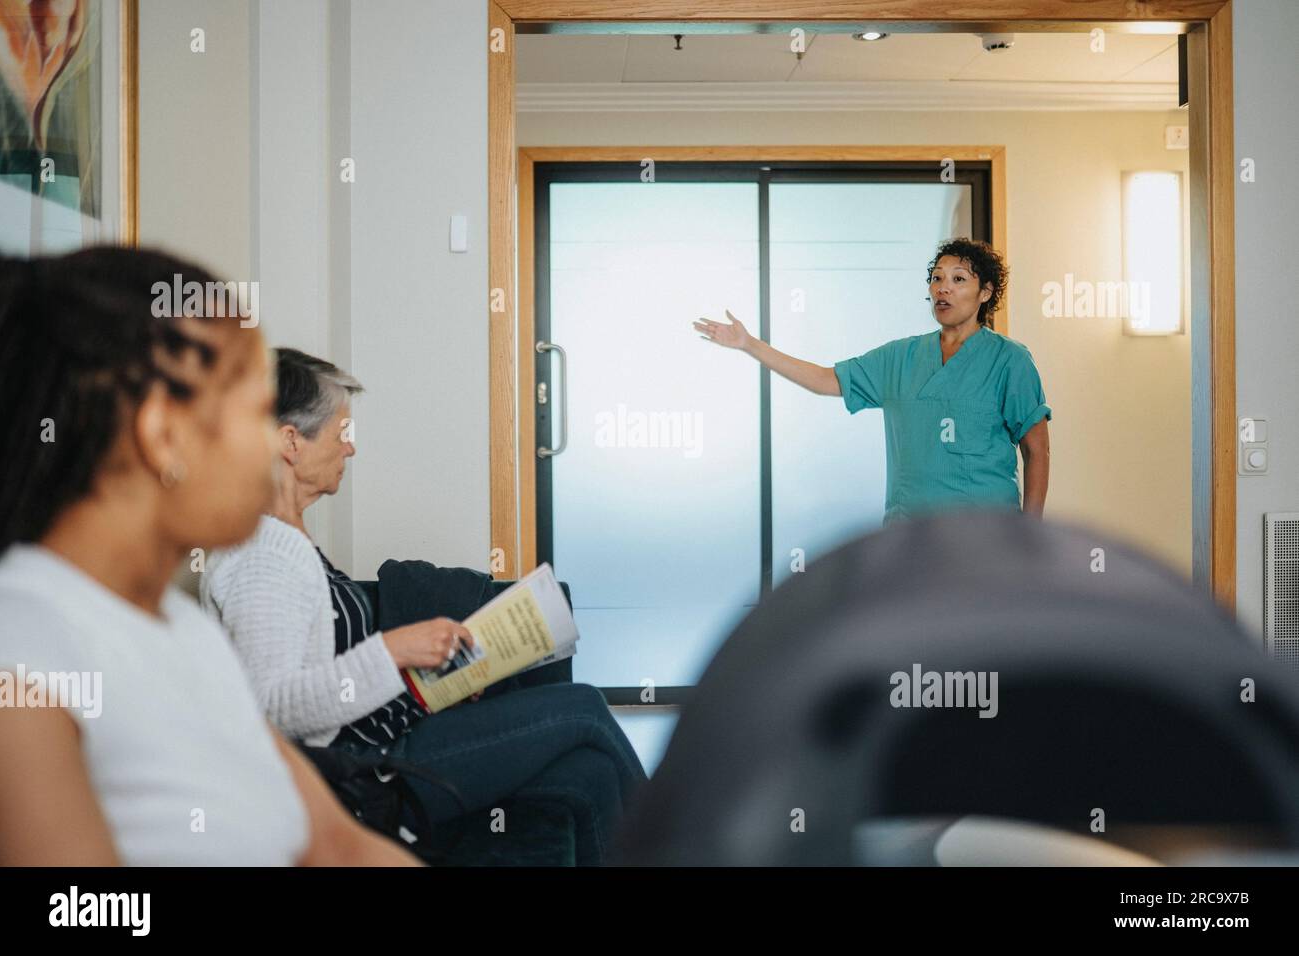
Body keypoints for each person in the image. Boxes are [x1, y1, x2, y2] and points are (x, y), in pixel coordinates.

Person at [0, 248, 422, 865]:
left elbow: (338, 845)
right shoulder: (25, 651)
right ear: (163, 436)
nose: (276, 449)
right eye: (257, 412)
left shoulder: (186, 631)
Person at [200, 348, 647, 865]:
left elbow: (331, 678)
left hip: (385, 741)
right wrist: (394, 650)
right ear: (290, 442)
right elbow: (275, 709)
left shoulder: (287, 541)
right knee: (583, 706)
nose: (350, 448)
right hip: (363, 775)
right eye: (342, 432)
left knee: (588, 773)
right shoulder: (263, 553)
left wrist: (433, 680)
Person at [694, 237, 1051, 523]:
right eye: (937, 278)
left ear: (985, 292)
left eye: (958, 279)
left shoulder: (1010, 361)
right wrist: (749, 344)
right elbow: (823, 379)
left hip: (986, 541)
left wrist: (1030, 538)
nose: (943, 288)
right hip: (909, 541)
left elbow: (1037, 451)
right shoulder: (900, 358)